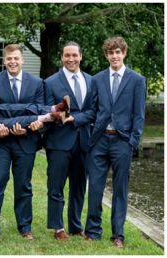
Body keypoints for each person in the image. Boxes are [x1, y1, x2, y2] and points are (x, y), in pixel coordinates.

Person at [84, 36, 145, 248]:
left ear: (124, 53)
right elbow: (93, 110)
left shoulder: (137, 80)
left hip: (122, 141)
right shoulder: (97, 79)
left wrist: (132, 141)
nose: (114, 56)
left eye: (118, 52)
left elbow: (139, 114)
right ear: (106, 55)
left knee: (120, 189)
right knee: (95, 188)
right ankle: (92, 231)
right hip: (100, 140)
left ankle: (118, 234)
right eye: (111, 53)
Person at [0, 44, 45, 240]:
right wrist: (0, 129)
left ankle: (25, 226)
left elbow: (38, 110)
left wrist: (26, 126)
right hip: (1, 141)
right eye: (9, 59)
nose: (12, 62)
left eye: (16, 58)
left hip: (26, 140)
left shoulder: (36, 83)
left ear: (22, 60)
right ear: (4, 61)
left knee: (23, 185)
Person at [42, 41, 95, 241]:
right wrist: (55, 113)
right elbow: (45, 109)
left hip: (84, 141)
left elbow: (94, 111)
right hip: (58, 141)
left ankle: (75, 225)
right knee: (56, 186)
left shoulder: (92, 81)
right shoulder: (50, 82)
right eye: (67, 56)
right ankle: (57, 227)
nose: (71, 59)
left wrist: (77, 118)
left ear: (81, 56)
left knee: (79, 186)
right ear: (62, 58)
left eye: (74, 55)